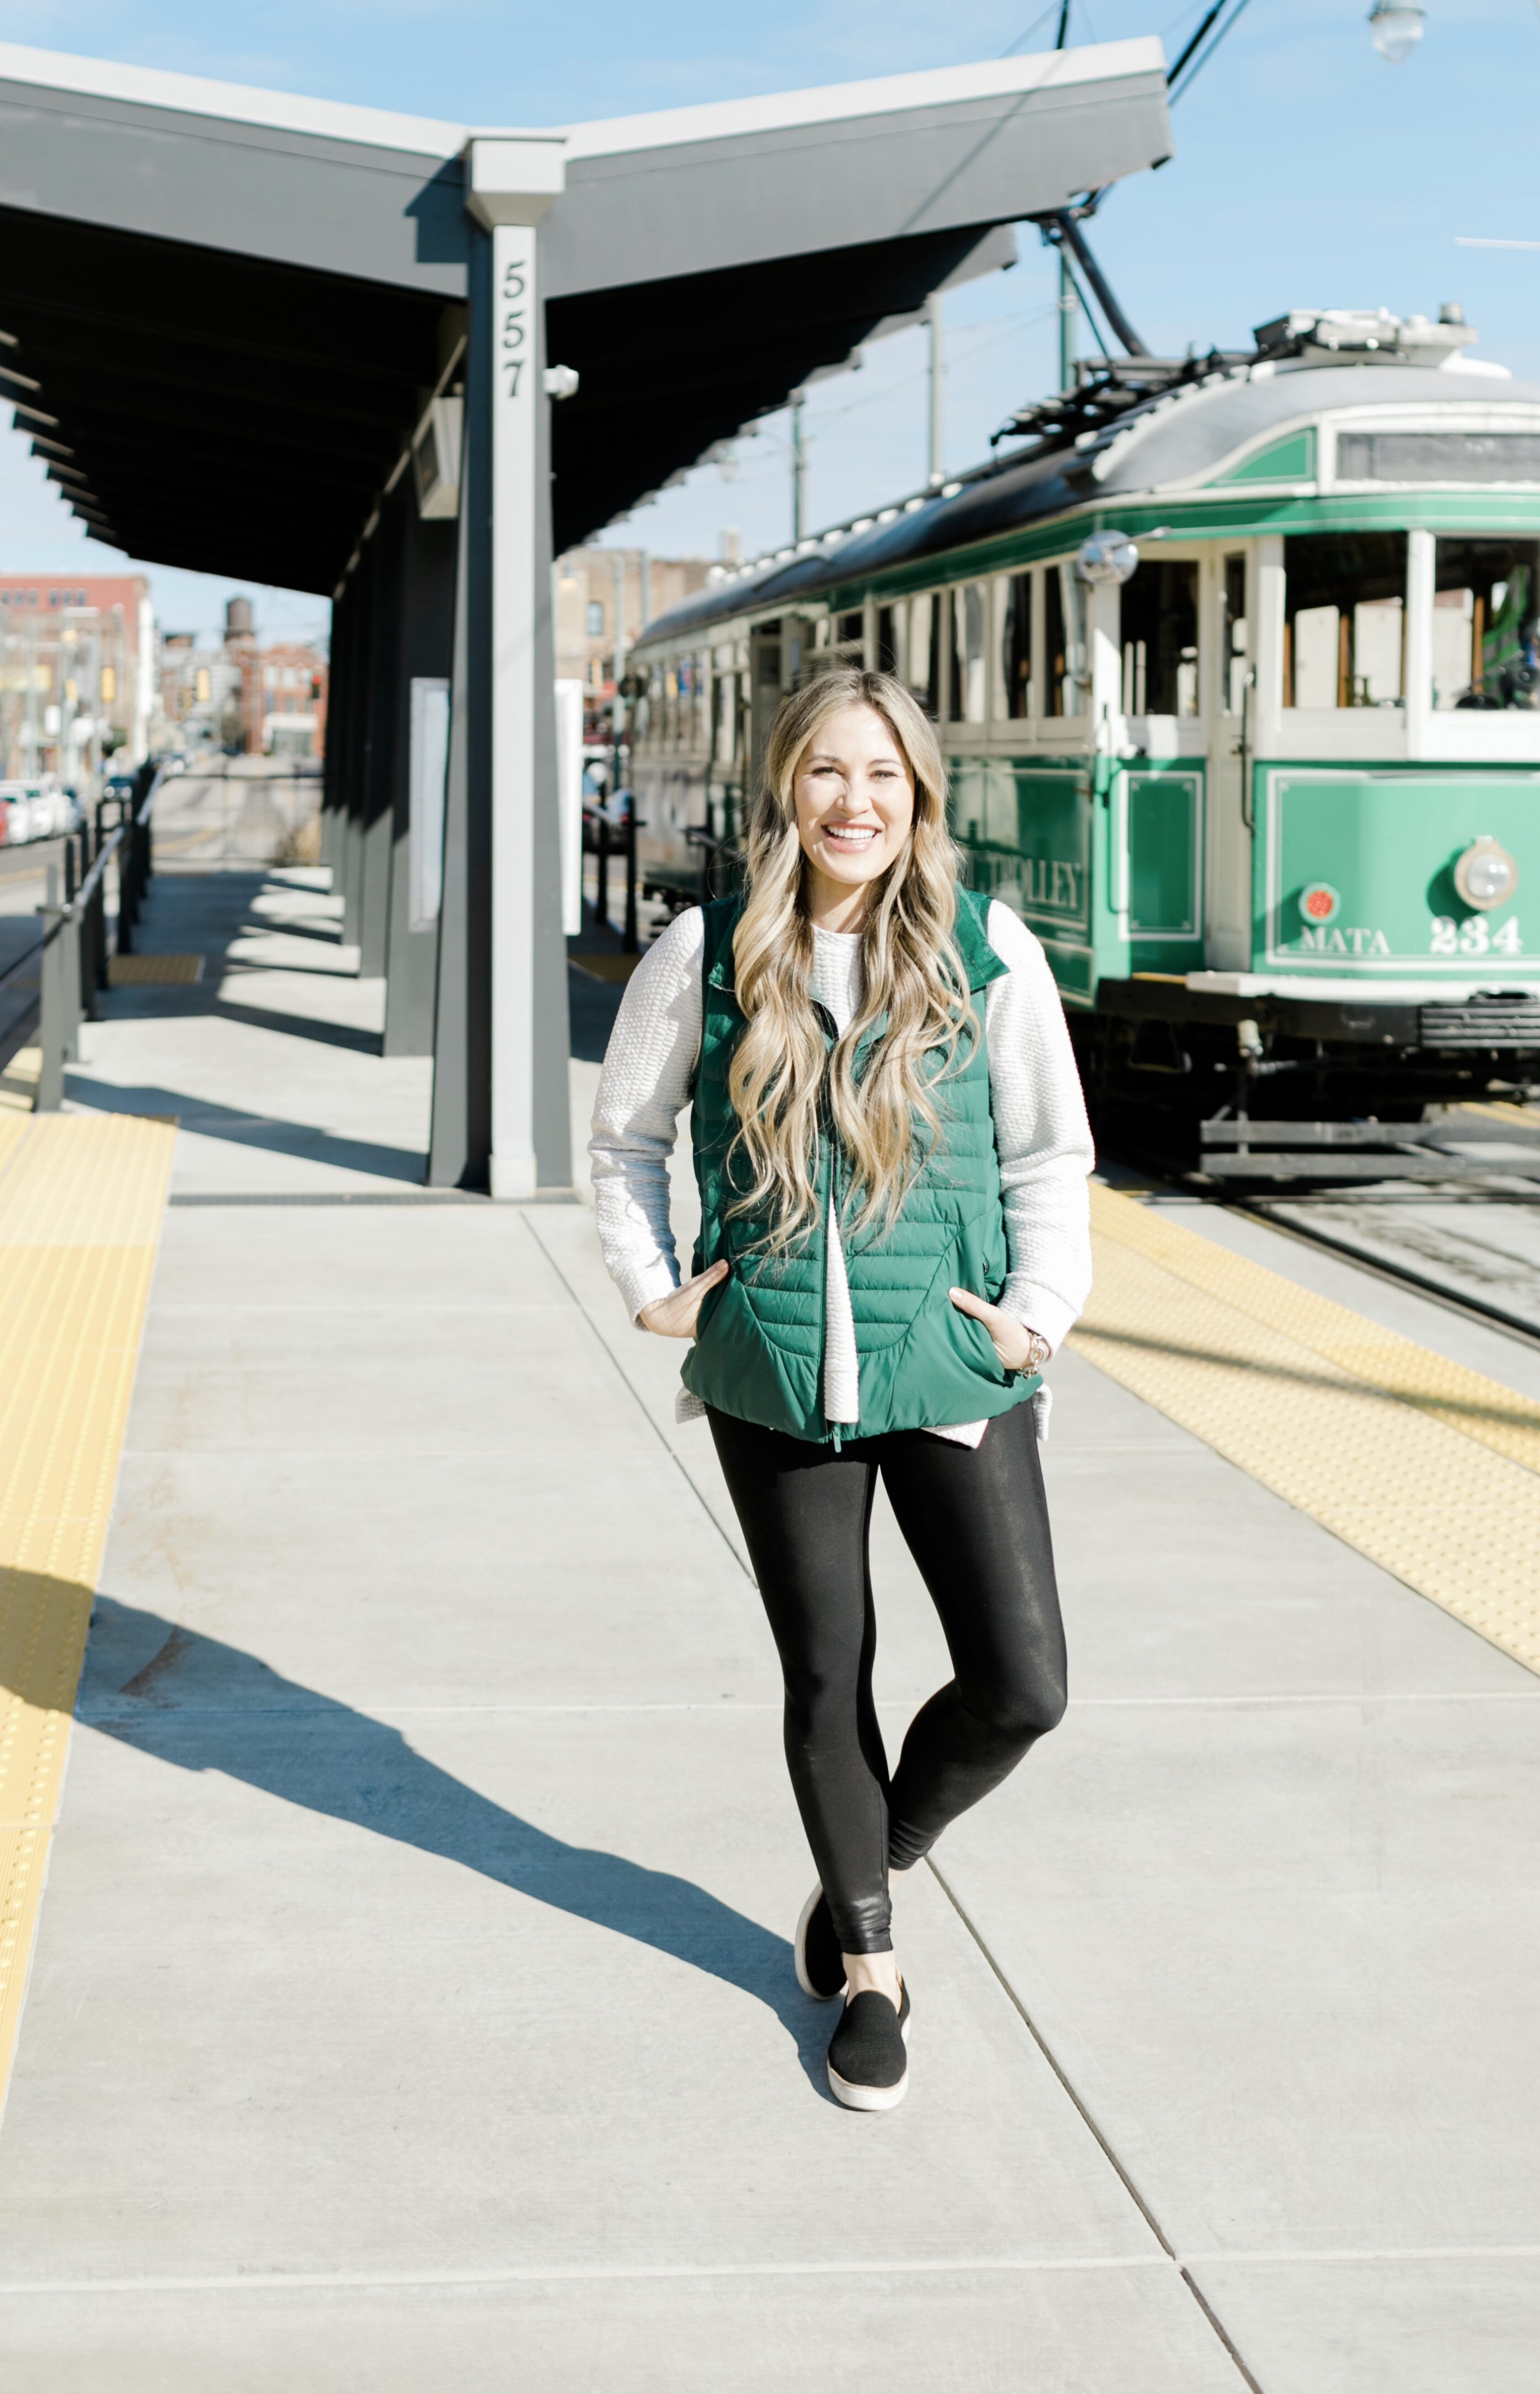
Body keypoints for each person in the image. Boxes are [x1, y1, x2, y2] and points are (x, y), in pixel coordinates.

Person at [589, 665, 1092, 2111]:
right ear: (784, 789)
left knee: (1024, 1683)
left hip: (950, 1362)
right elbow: (624, 1138)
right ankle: (870, 1973)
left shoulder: (988, 953)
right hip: (771, 1373)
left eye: (880, 775)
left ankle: (872, 1853)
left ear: (917, 793)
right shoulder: (709, 951)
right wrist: (651, 1283)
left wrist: (1038, 1319)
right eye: (825, 772)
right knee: (829, 1671)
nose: (852, 802)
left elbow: (1050, 1155)